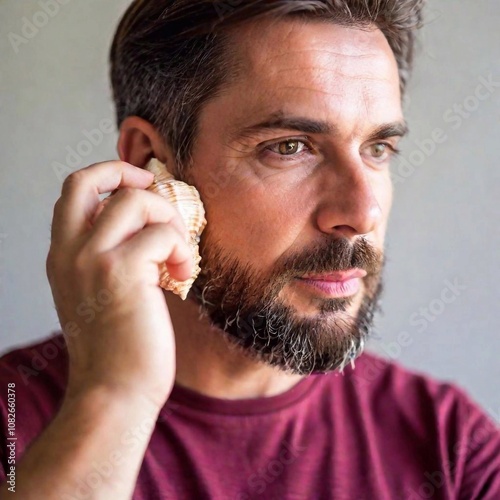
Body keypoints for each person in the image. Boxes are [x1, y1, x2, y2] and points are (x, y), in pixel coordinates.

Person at [1, 0, 499, 498]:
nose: (363, 213)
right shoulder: (13, 417)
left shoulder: (453, 449)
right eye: (290, 146)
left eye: (377, 148)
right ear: (152, 161)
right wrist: (116, 396)